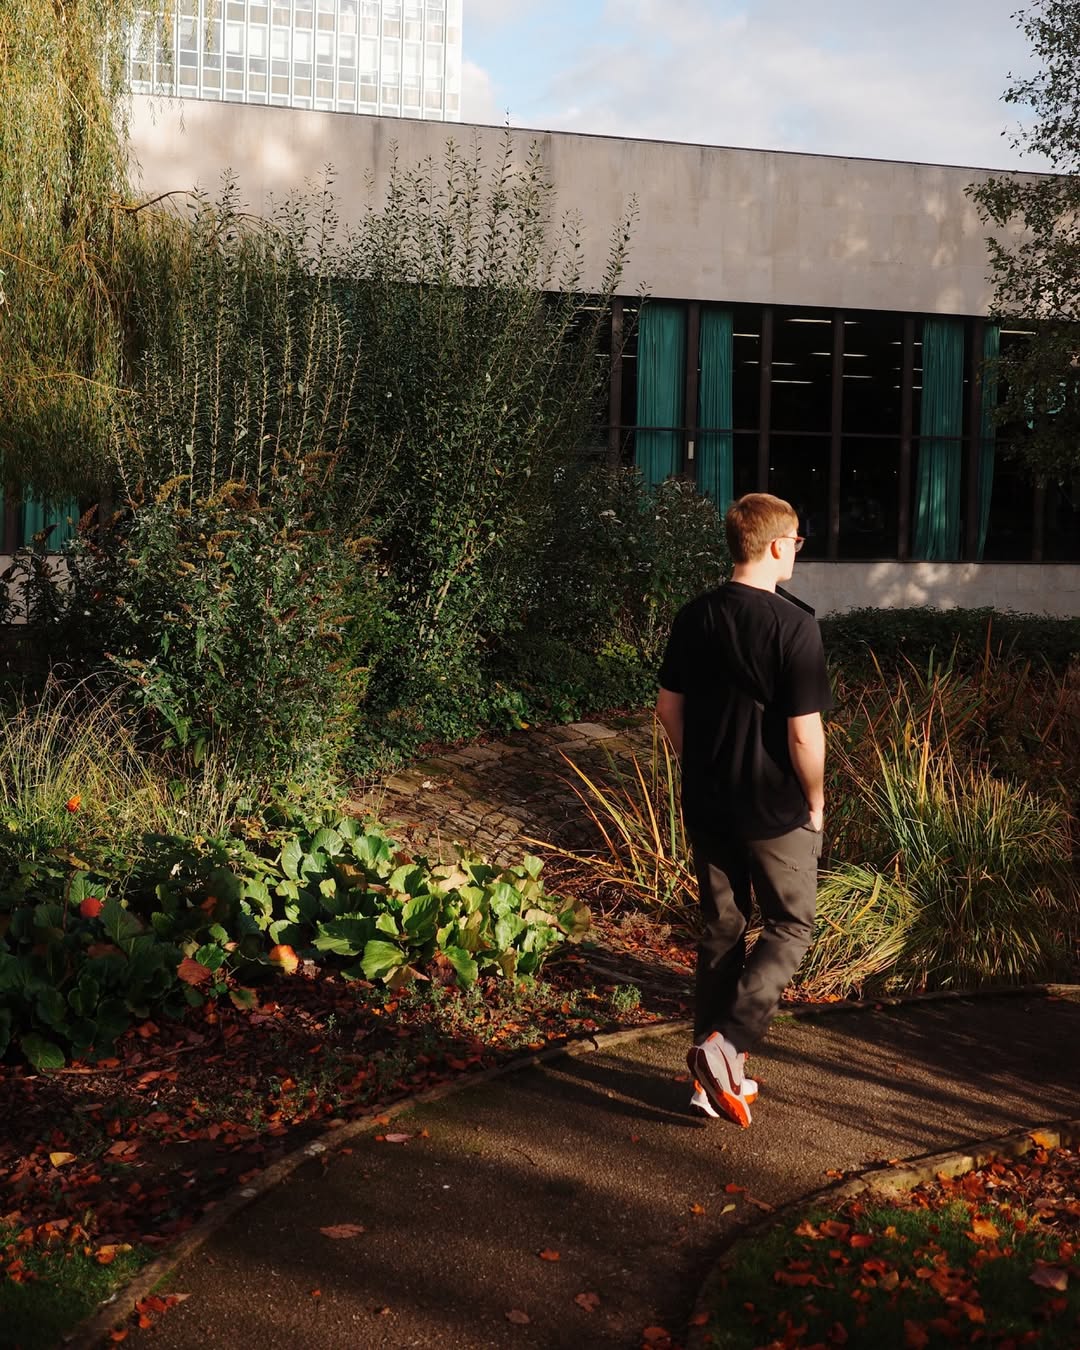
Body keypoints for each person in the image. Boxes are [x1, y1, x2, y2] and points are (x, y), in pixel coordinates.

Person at [656, 492, 832, 1127]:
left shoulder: (693, 615)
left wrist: (698, 767)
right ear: (780, 546)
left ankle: (705, 1085)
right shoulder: (794, 626)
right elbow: (804, 736)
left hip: (707, 801)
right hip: (773, 807)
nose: (797, 552)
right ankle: (726, 1046)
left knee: (722, 931)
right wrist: (814, 799)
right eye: (797, 543)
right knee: (791, 925)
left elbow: (668, 710)